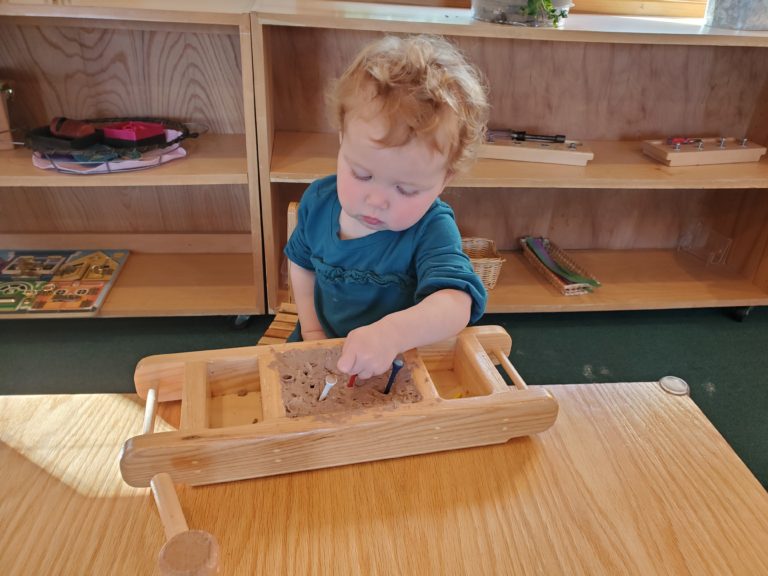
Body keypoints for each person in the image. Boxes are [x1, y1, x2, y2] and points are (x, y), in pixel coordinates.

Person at [285, 34, 490, 379]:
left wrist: (392, 334)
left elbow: (456, 303)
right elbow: (302, 265)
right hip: (320, 341)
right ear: (341, 139)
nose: (377, 200)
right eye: (361, 174)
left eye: (406, 189)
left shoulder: (431, 228)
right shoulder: (318, 202)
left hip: (399, 357)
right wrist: (312, 331)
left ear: (445, 180)